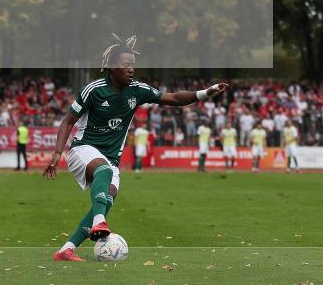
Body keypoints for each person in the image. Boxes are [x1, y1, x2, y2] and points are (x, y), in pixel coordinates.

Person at [43, 33, 229, 262]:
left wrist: (204, 93)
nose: (131, 69)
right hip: (84, 149)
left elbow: (173, 98)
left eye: (133, 65)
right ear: (112, 67)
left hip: (111, 159)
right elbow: (67, 121)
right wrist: (57, 153)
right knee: (104, 174)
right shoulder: (94, 89)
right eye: (125, 65)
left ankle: (66, 249)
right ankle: (98, 222)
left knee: (107, 196)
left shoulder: (137, 90)